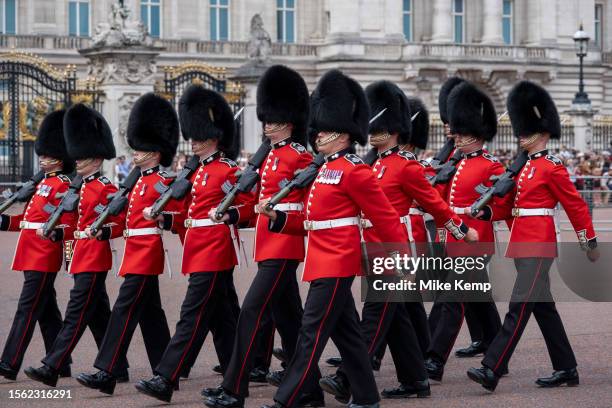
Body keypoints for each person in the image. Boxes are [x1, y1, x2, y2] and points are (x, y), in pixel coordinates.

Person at [254, 69, 408, 408]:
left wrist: (400, 259)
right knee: (349, 335)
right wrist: (277, 217)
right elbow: (312, 222)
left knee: (310, 335)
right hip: (321, 259)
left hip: (337, 262)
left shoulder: (356, 171)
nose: (317, 134)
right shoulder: (324, 169)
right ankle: (367, 397)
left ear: (341, 132)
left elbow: (386, 219)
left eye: (323, 129)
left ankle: (287, 399)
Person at [318, 80, 477, 402]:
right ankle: (416, 380)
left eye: (379, 126)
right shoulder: (371, 164)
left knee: (375, 316)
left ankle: (348, 377)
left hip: (399, 250)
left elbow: (434, 204)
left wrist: (460, 230)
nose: (372, 131)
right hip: (374, 246)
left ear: (393, 130)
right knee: (398, 320)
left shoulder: (406, 167)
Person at [203, 65, 323, 408]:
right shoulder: (268, 156)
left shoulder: (299, 156)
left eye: (274, 119)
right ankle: (311, 390)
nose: (268, 124)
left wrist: (279, 217)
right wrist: (233, 214)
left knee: (251, 312)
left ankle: (234, 389)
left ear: (289, 120)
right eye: (266, 119)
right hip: (268, 245)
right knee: (290, 321)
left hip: (283, 245)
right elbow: (258, 205)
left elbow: (306, 206)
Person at [468, 80, 599, 392]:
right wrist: (486, 212)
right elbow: (512, 207)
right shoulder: (524, 169)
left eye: (526, 131)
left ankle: (492, 367)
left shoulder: (552, 168)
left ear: (541, 133)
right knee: (543, 307)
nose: (521, 136)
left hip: (539, 243)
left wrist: (588, 240)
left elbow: (575, 205)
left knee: (519, 306)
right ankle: (566, 368)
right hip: (523, 243)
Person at [133, 85, 248, 402]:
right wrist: (166, 219)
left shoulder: (226, 170)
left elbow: (247, 204)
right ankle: (239, 374)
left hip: (214, 249)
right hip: (199, 247)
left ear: (214, 136)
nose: (193, 141)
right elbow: (188, 213)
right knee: (224, 320)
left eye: (199, 136)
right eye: (193, 136)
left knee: (192, 314)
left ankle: (166, 377)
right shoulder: (197, 172)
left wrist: (231, 214)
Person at [76, 93, 180, 395]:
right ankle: (166, 366)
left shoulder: (162, 181)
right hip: (134, 250)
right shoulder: (136, 181)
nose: (135, 153)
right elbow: (125, 222)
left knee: (123, 309)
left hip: (146, 252)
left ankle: (106, 370)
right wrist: (106, 231)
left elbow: (176, 211)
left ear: (156, 152)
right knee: (151, 313)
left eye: (142, 148)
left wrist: (162, 216)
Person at [23, 103, 129, 387]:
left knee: (75, 313)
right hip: (81, 254)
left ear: (95, 159)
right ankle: (118, 367)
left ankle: (52, 365)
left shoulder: (106, 187)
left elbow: (120, 222)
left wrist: (104, 232)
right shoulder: (78, 186)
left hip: (95, 255)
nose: (76, 161)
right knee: (98, 315)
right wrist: (60, 238)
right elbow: (74, 223)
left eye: (82, 157)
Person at [425, 81, 503, 382]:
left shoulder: (490, 166)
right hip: (454, 236)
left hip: (475, 240)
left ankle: (433, 358)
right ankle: (498, 353)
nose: (454, 135)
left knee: (451, 298)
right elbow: (440, 198)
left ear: (475, 133)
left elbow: (500, 202)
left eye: (460, 131)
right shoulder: (456, 163)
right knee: (479, 298)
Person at [0, 110, 76, 381]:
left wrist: (61, 245)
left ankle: (8, 363)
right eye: (41, 155)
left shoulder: (64, 185)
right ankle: (62, 362)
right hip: (30, 249)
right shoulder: (43, 184)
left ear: (60, 157)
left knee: (27, 308)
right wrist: (3, 221)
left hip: (44, 252)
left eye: (47, 155)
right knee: (46, 310)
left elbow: (67, 221)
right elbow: (27, 220)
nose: (42, 159)